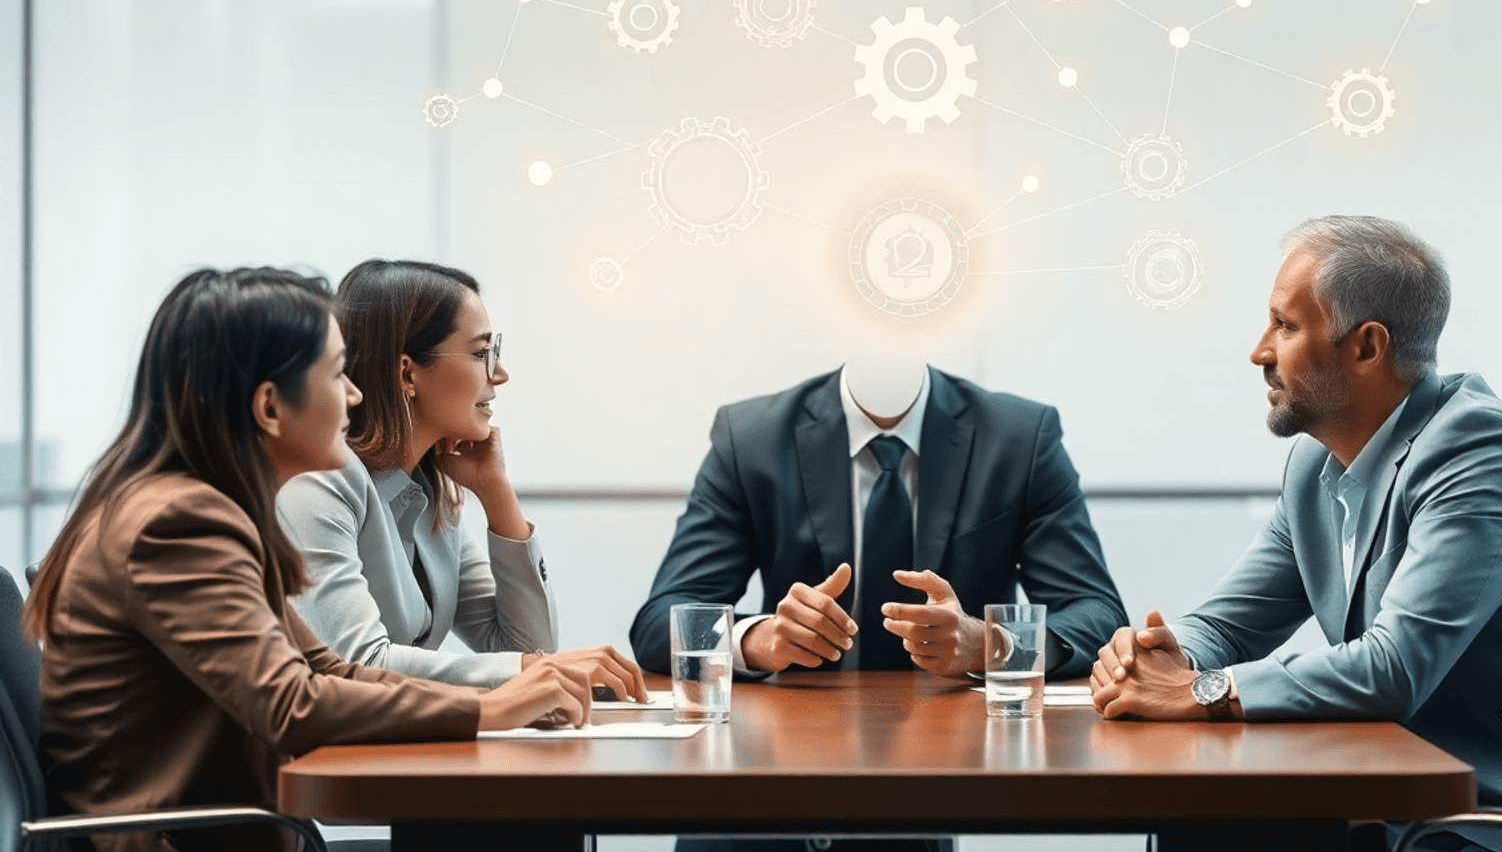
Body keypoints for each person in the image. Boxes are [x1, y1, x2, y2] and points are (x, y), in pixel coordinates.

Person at [1089, 217, 1502, 852]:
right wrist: (1158, 653)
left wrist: (1204, 690)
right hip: (1423, 797)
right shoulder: (1316, 468)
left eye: (1286, 326)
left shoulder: (1480, 452)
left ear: (1367, 348)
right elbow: (1232, 625)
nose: (1259, 351)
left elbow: (1392, 667)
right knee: (1208, 822)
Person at [28, 268, 593, 852]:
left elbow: (331, 671)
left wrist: (493, 702)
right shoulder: (179, 523)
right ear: (270, 408)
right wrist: (488, 710)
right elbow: (293, 704)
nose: (354, 393)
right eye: (335, 374)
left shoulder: (210, 510)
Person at [634, 359, 1128, 852]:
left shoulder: (1019, 438)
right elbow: (662, 619)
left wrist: (992, 645)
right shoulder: (751, 437)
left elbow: (1097, 613)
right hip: (769, 792)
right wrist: (759, 639)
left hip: (927, 788)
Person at [277, 259, 645, 699]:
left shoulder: (435, 495)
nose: (500, 374)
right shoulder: (319, 485)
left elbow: (530, 649)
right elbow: (358, 664)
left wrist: (496, 495)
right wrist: (530, 668)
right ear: (408, 372)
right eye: (479, 353)